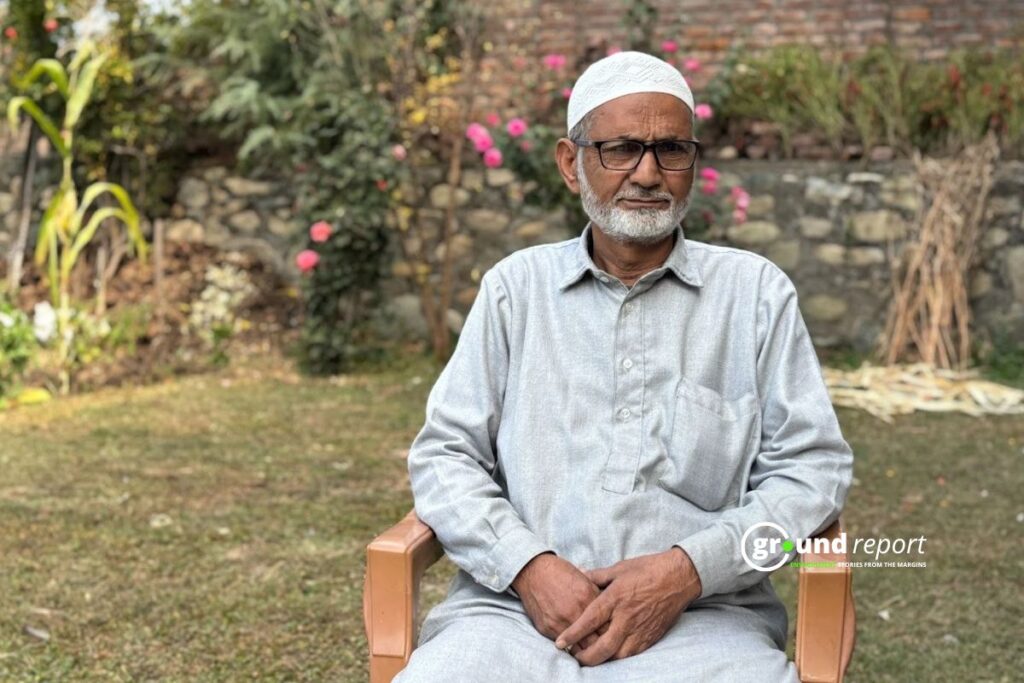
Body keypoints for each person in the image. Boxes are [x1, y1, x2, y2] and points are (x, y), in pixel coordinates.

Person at [394, 51, 853, 682]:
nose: (647, 173)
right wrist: (528, 566)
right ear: (569, 163)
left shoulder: (754, 296)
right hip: (507, 619)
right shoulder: (515, 290)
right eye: (620, 149)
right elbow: (444, 455)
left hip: (705, 622)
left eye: (671, 150)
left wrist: (688, 570)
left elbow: (813, 470)